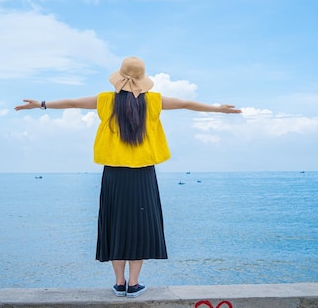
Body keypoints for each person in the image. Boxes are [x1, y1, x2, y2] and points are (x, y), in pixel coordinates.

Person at [14, 56, 241, 298]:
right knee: (139, 226)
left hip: (113, 173)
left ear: (120, 78)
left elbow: (72, 102)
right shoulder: (154, 101)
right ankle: (133, 284)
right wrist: (218, 109)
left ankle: (119, 282)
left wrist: (41, 104)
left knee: (116, 224)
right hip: (143, 173)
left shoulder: (105, 100)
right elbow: (186, 104)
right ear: (142, 80)